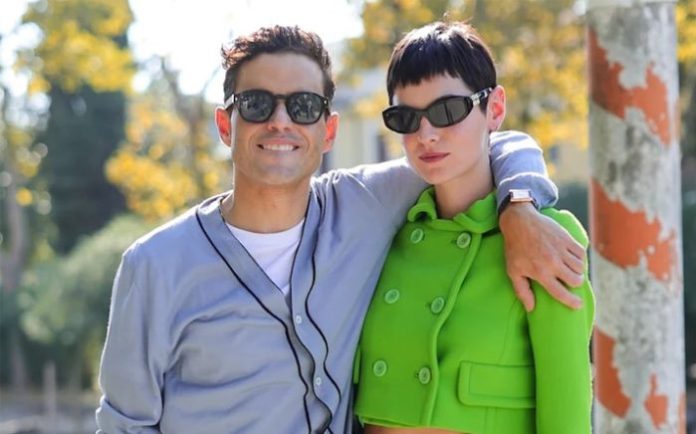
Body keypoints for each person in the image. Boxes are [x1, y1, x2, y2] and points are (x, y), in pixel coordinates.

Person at [95, 25, 587, 434]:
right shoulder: (155, 265)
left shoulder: (364, 205)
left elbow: (488, 142)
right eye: (257, 104)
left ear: (328, 130)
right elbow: (124, 425)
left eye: (304, 107)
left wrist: (519, 205)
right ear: (226, 125)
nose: (281, 122)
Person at [353, 22, 594, 434]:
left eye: (447, 111)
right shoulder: (385, 235)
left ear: (494, 109)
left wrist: (517, 206)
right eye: (406, 118)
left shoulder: (542, 239)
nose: (426, 135)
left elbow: (567, 417)